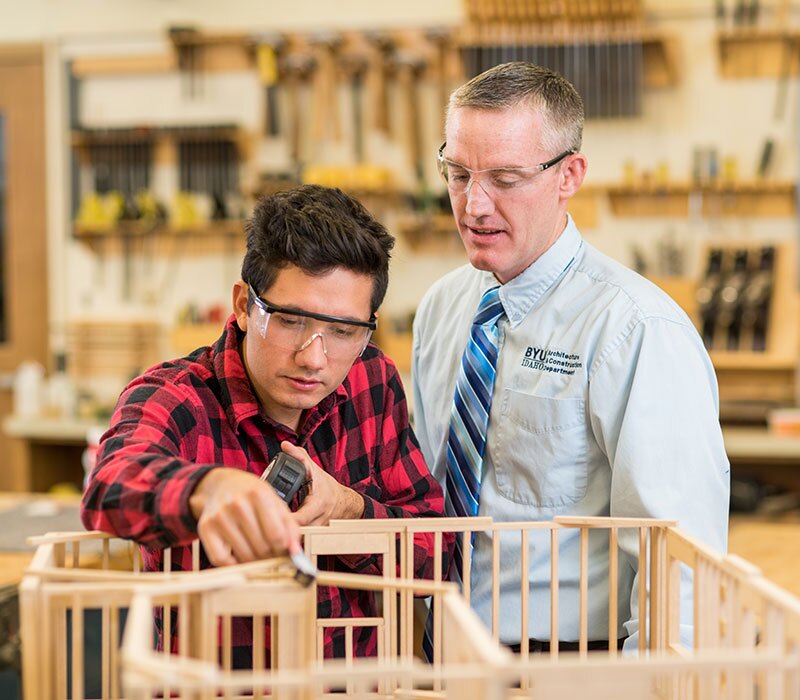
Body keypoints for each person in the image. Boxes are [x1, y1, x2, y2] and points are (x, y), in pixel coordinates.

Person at [411, 62, 730, 652]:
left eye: (505, 179)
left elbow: (681, 556)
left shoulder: (635, 329)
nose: (473, 205)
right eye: (457, 174)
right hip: (439, 656)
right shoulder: (441, 308)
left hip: (570, 666)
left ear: (569, 175)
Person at [81, 184, 446, 664]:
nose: (314, 357)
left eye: (342, 331)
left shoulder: (371, 381)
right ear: (242, 305)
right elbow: (108, 488)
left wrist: (350, 510)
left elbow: (436, 551)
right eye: (291, 321)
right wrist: (208, 489)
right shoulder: (176, 397)